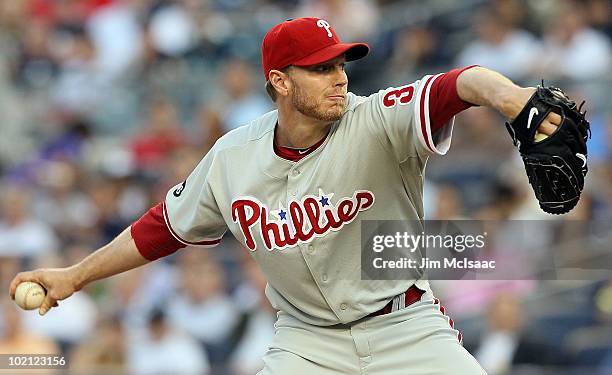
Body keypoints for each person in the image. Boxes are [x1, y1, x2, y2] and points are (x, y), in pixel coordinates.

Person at [9, 17, 564, 374]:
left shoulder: (374, 119)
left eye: (341, 65)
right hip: (306, 345)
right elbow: (162, 229)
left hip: (405, 328)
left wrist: (512, 98)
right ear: (279, 81)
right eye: (321, 69)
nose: (340, 78)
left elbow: (456, 84)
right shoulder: (233, 156)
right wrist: (73, 276)